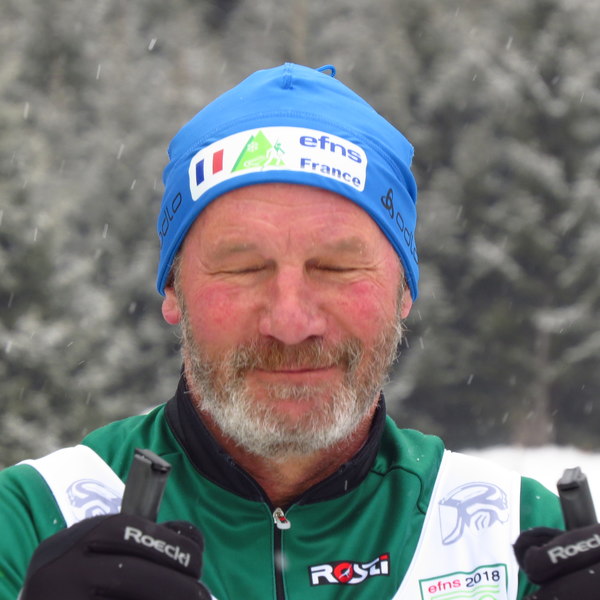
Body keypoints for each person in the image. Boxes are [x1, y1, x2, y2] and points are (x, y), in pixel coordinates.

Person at [0, 63, 597, 600]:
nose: (290, 323)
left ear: (403, 291)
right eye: (243, 268)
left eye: (335, 268)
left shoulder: (522, 539)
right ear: (174, 291)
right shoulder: (27, 523)